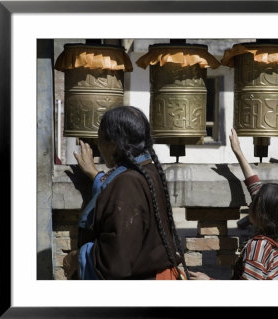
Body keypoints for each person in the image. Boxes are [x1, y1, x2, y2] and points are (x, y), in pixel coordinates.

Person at [62, 106, 189, 280]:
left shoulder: (126, 184)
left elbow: (115, 261)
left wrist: (77, 258)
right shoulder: (148, 170)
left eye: (100, 141)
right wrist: (95, 175)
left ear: (113, 144)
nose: (98, 147)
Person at [189, 128, 278, 280]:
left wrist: (209, 282)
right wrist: (238, 152)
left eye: (256, 202)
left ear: (263, 214)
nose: (250, 204)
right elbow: (254, 186)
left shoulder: (259, 247)